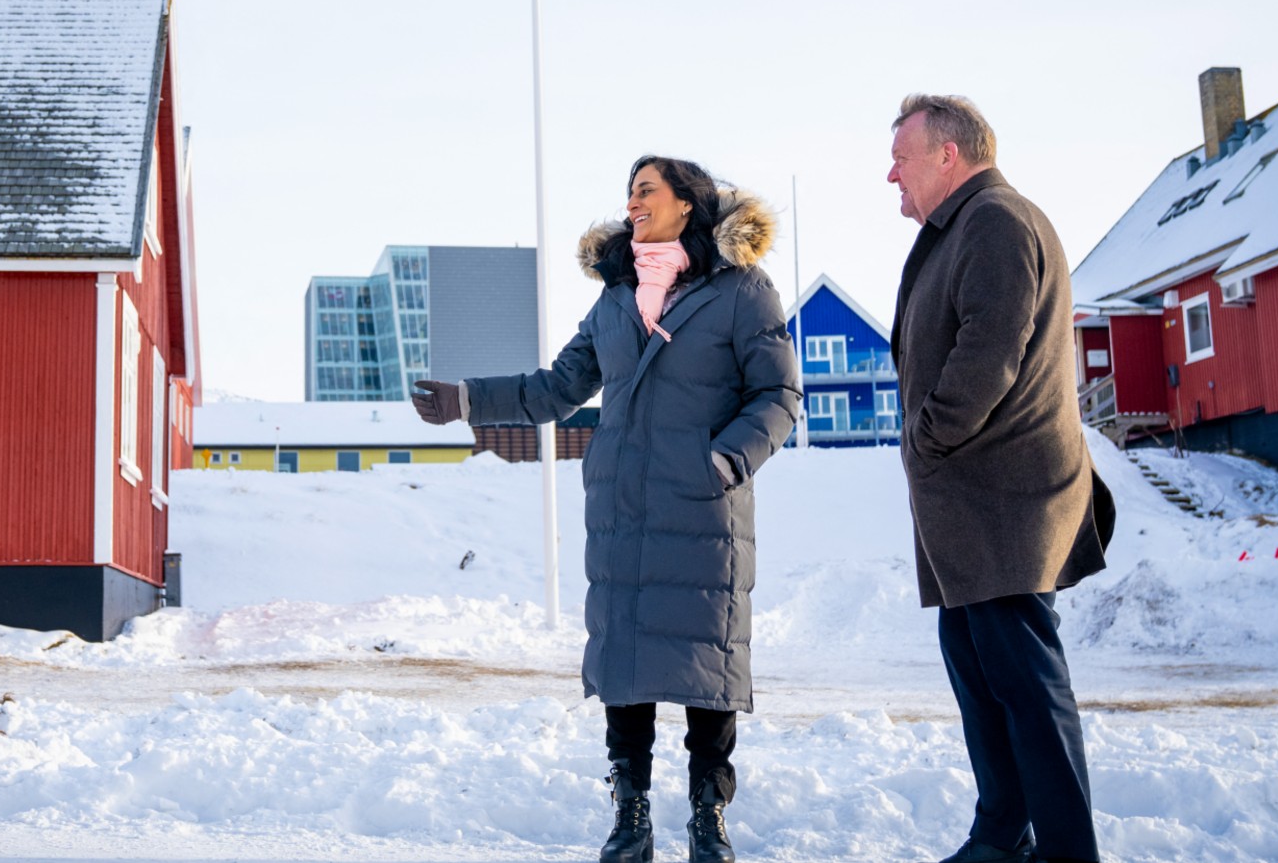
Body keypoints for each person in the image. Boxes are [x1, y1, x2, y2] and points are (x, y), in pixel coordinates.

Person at [413, 156, 799, 863]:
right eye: (629, 192)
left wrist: (726, 458)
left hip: (704, 508)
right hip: (622, 506)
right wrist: (467, 399)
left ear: (688, 202)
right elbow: (557, 386)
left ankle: (709, 817)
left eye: (646, 190)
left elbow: (779, 397)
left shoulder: (743, 290)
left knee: (706, 665)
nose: (632, 202)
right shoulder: (617, 298)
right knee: (625, 666)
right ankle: (631, 815)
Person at [887, 94, 1110, 863]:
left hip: (1004, 503)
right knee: (983, 680)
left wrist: (926, 435)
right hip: (968, 511)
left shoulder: (996, 221)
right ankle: (1002, 833)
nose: (892, 175)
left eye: (902, 157)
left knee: (1028, 689)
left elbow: (990, 350)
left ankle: (1066, 852)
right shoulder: (965, 228)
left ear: (948, 154)